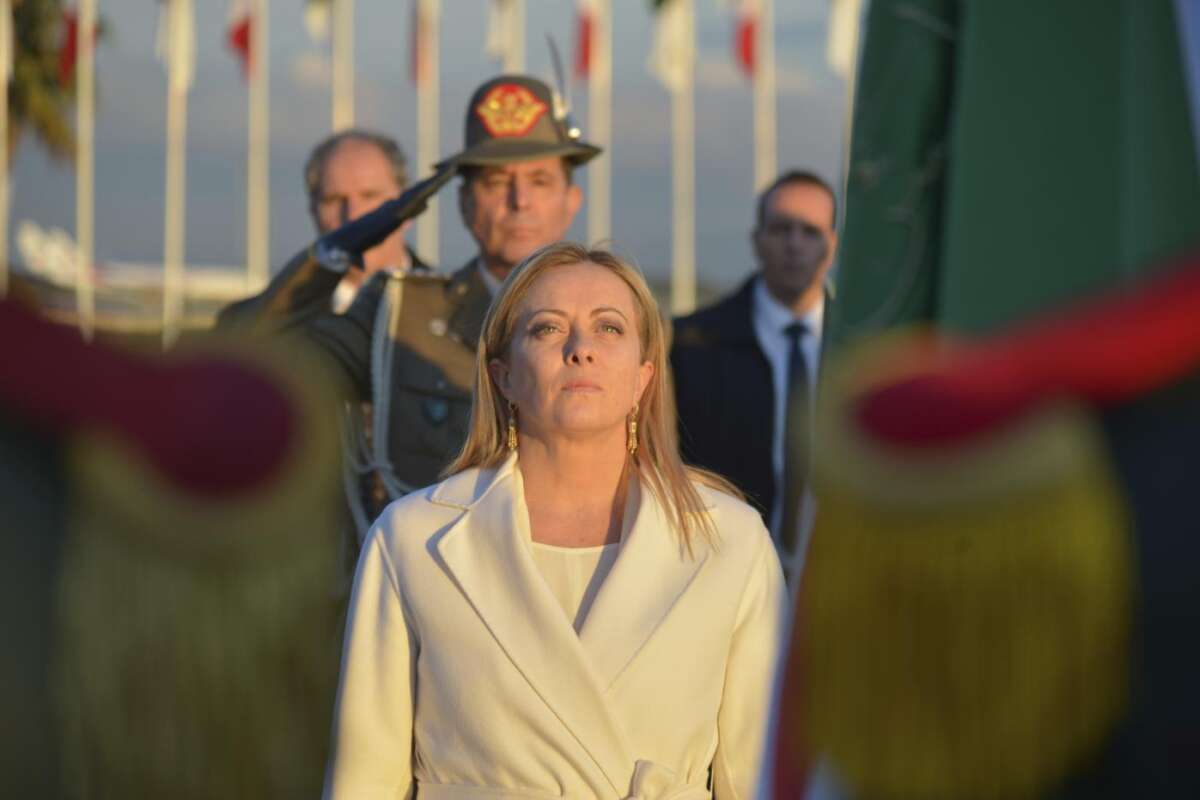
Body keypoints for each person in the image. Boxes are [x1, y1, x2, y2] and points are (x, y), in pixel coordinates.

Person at [323, 242, 786, 799]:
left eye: (609, 328)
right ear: (503, 375)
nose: (580, 349)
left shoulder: (729, 541)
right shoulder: (413, 538)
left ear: (643, 376)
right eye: (547, 328)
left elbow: (762, 779)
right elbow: (364, 779)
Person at [218, 75, 599, 539]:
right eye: (497, 182)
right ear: (464, 204)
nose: (520, 202)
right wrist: (335, 252)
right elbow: (250, 354)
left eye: (539, 181)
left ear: (571, 200)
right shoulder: (399, 315)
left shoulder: (619, 327)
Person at [670, 170, 838, 578]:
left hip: (836, 574)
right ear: (757, 240)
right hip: (722, 569)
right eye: (781, 229)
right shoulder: (689, 346)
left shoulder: (865, 347)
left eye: (810, 231)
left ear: (831, 245)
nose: (795, 244)